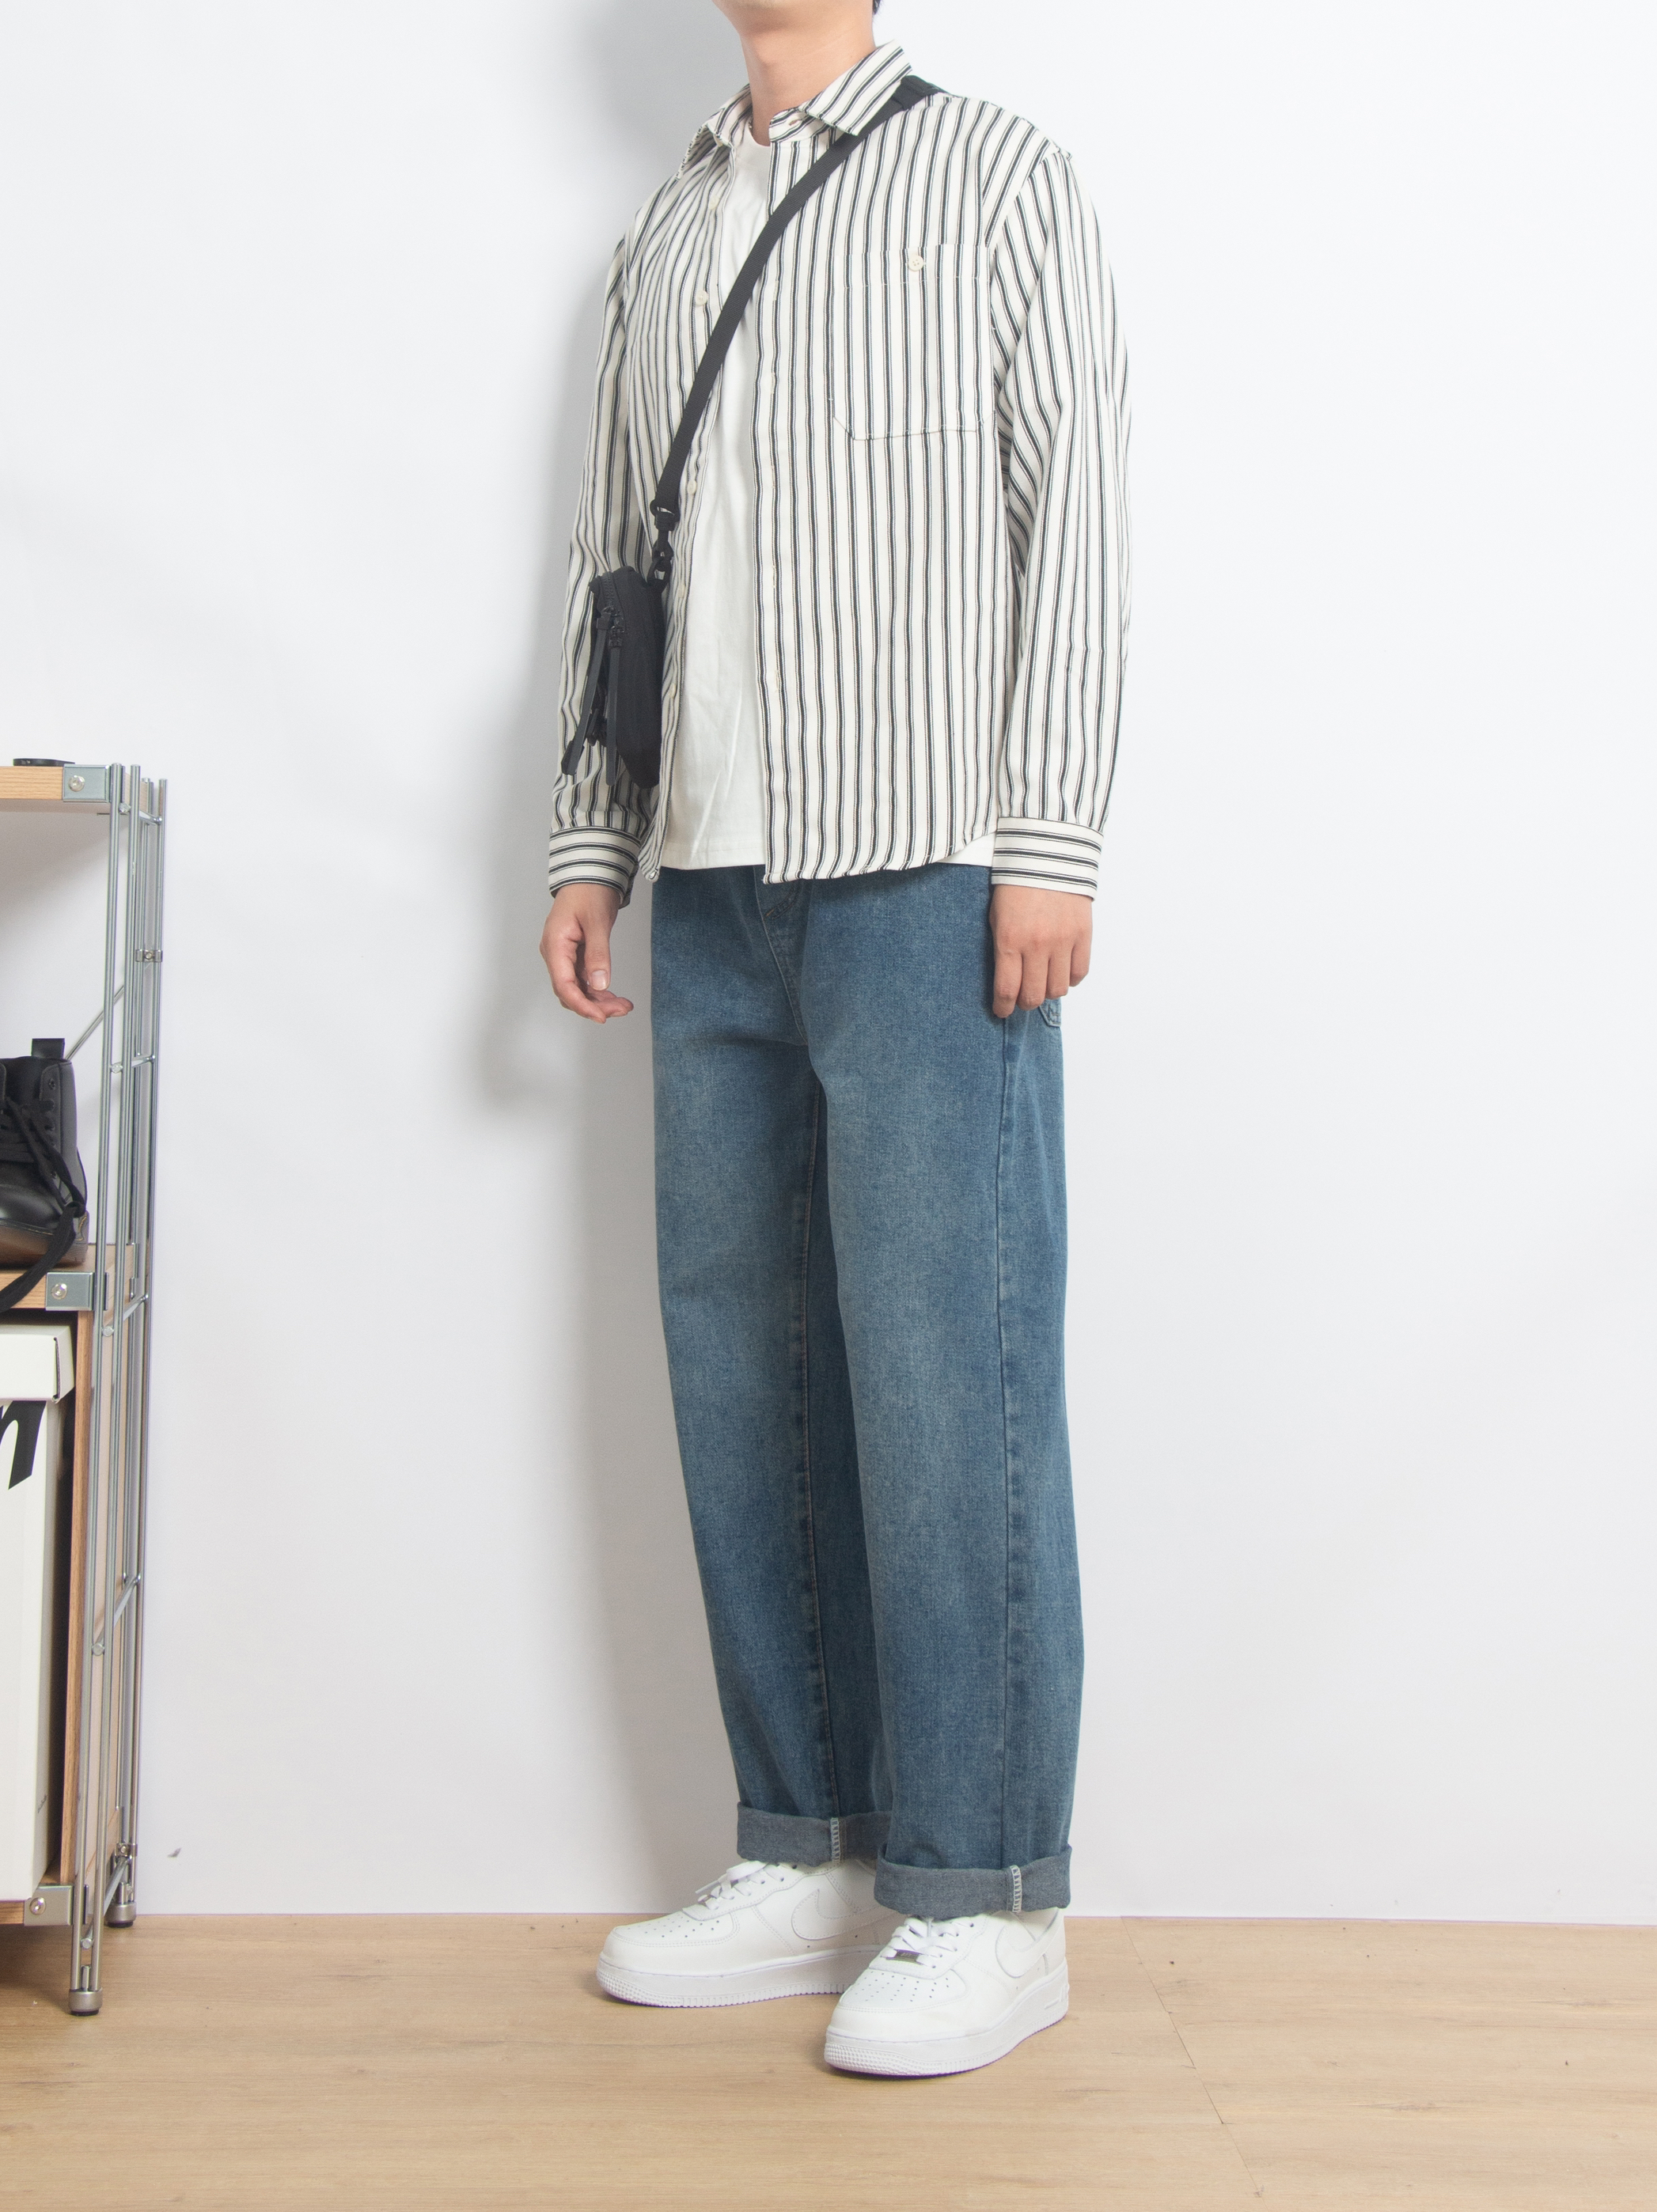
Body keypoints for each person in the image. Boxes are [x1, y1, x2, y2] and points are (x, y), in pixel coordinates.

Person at [539, 0, 1128, 2078]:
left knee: (952, 1368)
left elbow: (1078, 523)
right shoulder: (661, 230)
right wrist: (591, 836)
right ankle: (803, 1846)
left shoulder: (997, 178)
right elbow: (616, 560)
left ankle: (988, 1893)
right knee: (749, 1364)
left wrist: (1049, 841)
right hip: (708, 872)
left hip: (928, 863)